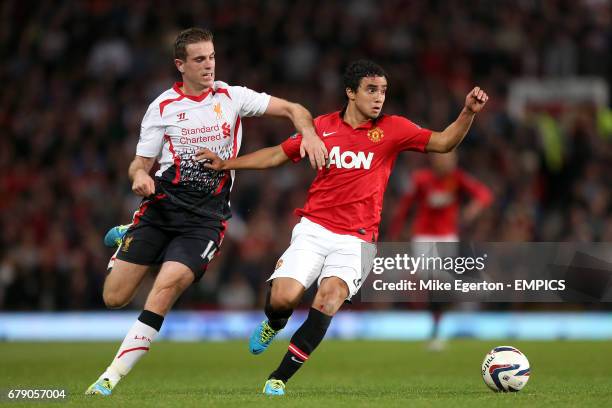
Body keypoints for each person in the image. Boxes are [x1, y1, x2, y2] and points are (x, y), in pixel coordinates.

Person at [196, 60, 489, 395]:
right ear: (350, 92)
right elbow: (277, 154)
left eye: (383, 91)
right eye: (371, 90)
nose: (379, 98)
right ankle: (275, 322)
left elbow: (444, 142)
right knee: (283, 298)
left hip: (358, 240)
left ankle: (278, 377)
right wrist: (227, 163)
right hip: (314, 229)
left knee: (329, 298)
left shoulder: (393, 129)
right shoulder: (320, 127)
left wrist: (468, 112)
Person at [85, 27, 327, 396]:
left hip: (205, 221)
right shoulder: (162, 107)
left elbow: (294, 109)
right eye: (199, 59)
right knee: (114, 297)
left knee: (164, 289)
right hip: (159, 211)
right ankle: (128, 235)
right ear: (180, 65)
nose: (209, 65)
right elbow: (139, 163)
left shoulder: (232, 96)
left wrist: (308, 134)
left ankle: (109, 377)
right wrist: (138, 178)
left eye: (212, 57)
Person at [388, 151, 493, 350]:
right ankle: (463, 288)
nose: (447, 162)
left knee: (438, 284)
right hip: (424, 237)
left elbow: (485, 195)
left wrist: (473, 209)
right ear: (434, 160)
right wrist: (394, 232)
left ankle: (437, 329)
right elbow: (404, 207)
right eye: (443, 158)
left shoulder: (457, 178)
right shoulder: (421, 179)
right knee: (433, 281)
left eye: (451, 159)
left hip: (447, 238)